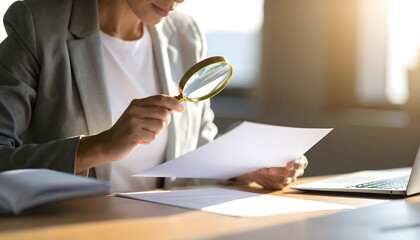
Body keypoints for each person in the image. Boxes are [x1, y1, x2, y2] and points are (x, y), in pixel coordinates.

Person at [0, 0, 308, 191]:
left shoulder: (185, 33)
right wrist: (101, 145)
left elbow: (196, 150)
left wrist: (247, 169)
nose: (179, 0)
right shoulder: (37, 24)